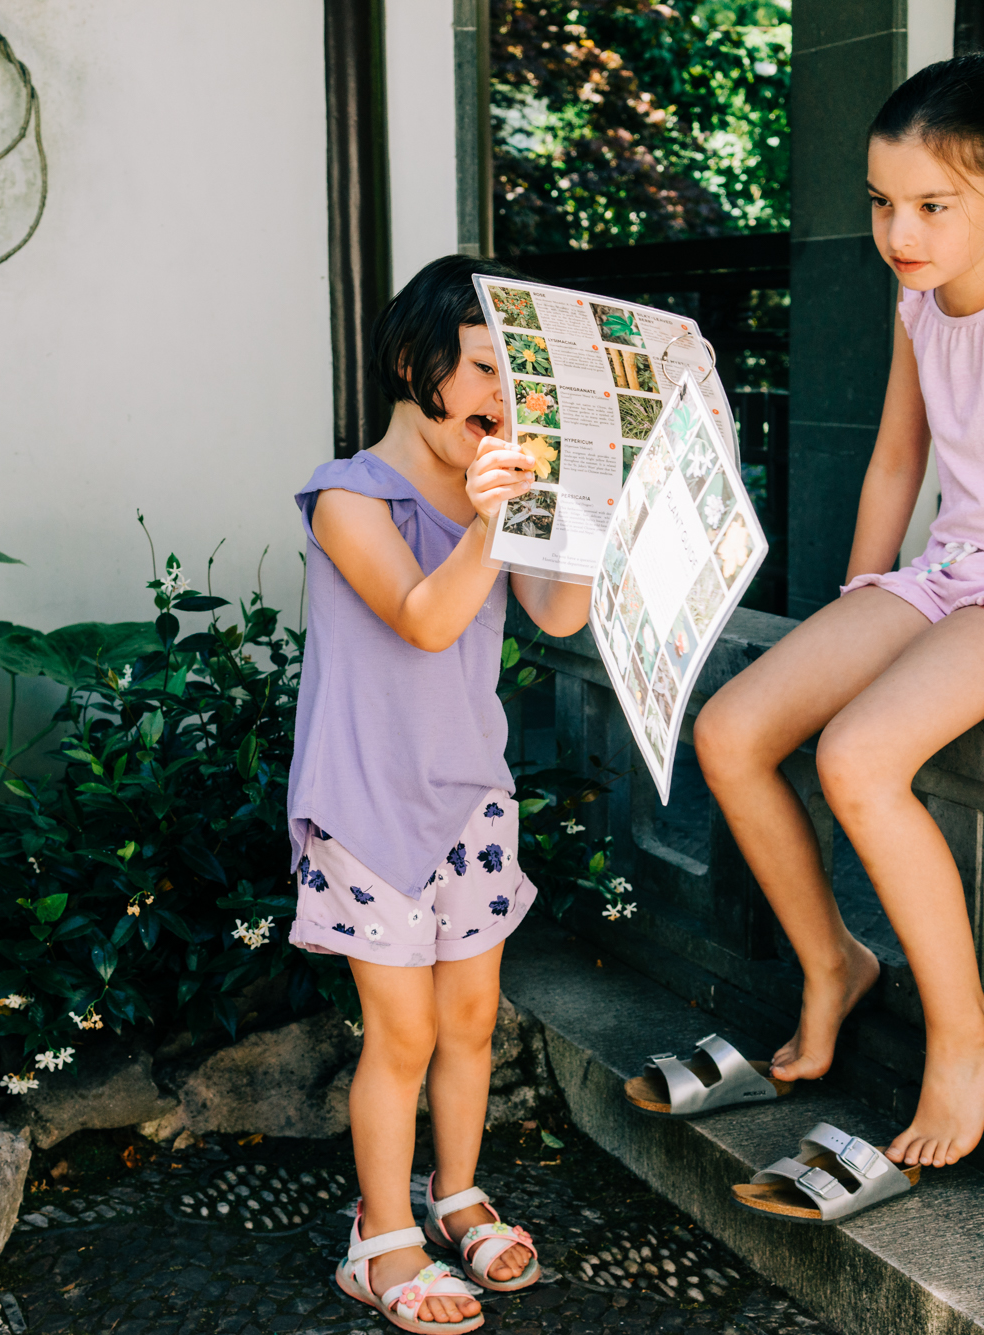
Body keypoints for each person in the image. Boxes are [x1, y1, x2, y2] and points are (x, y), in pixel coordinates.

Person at [694, 53, 984, 1176]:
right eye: (881, 203)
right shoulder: (916, 295)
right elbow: (897, 460)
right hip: (948, 571)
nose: (900, 231)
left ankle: (966, 1033)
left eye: (930, 206)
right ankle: (833, 963)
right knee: (730, 732)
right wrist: (860, 598)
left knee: (856, 756)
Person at [289, 256, 592, 1331]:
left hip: (470, 793)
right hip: (365, 801)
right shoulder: (346, 495)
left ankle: (455, 1194)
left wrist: (581, 516)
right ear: (414, 362)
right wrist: (488, 521)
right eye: (478, 372)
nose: (498, 405)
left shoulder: (490, 497)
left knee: (470, 1021)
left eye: (516, 386)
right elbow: (423, 615)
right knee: (402, 1034)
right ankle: (379, 1240)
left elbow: (556, 616)